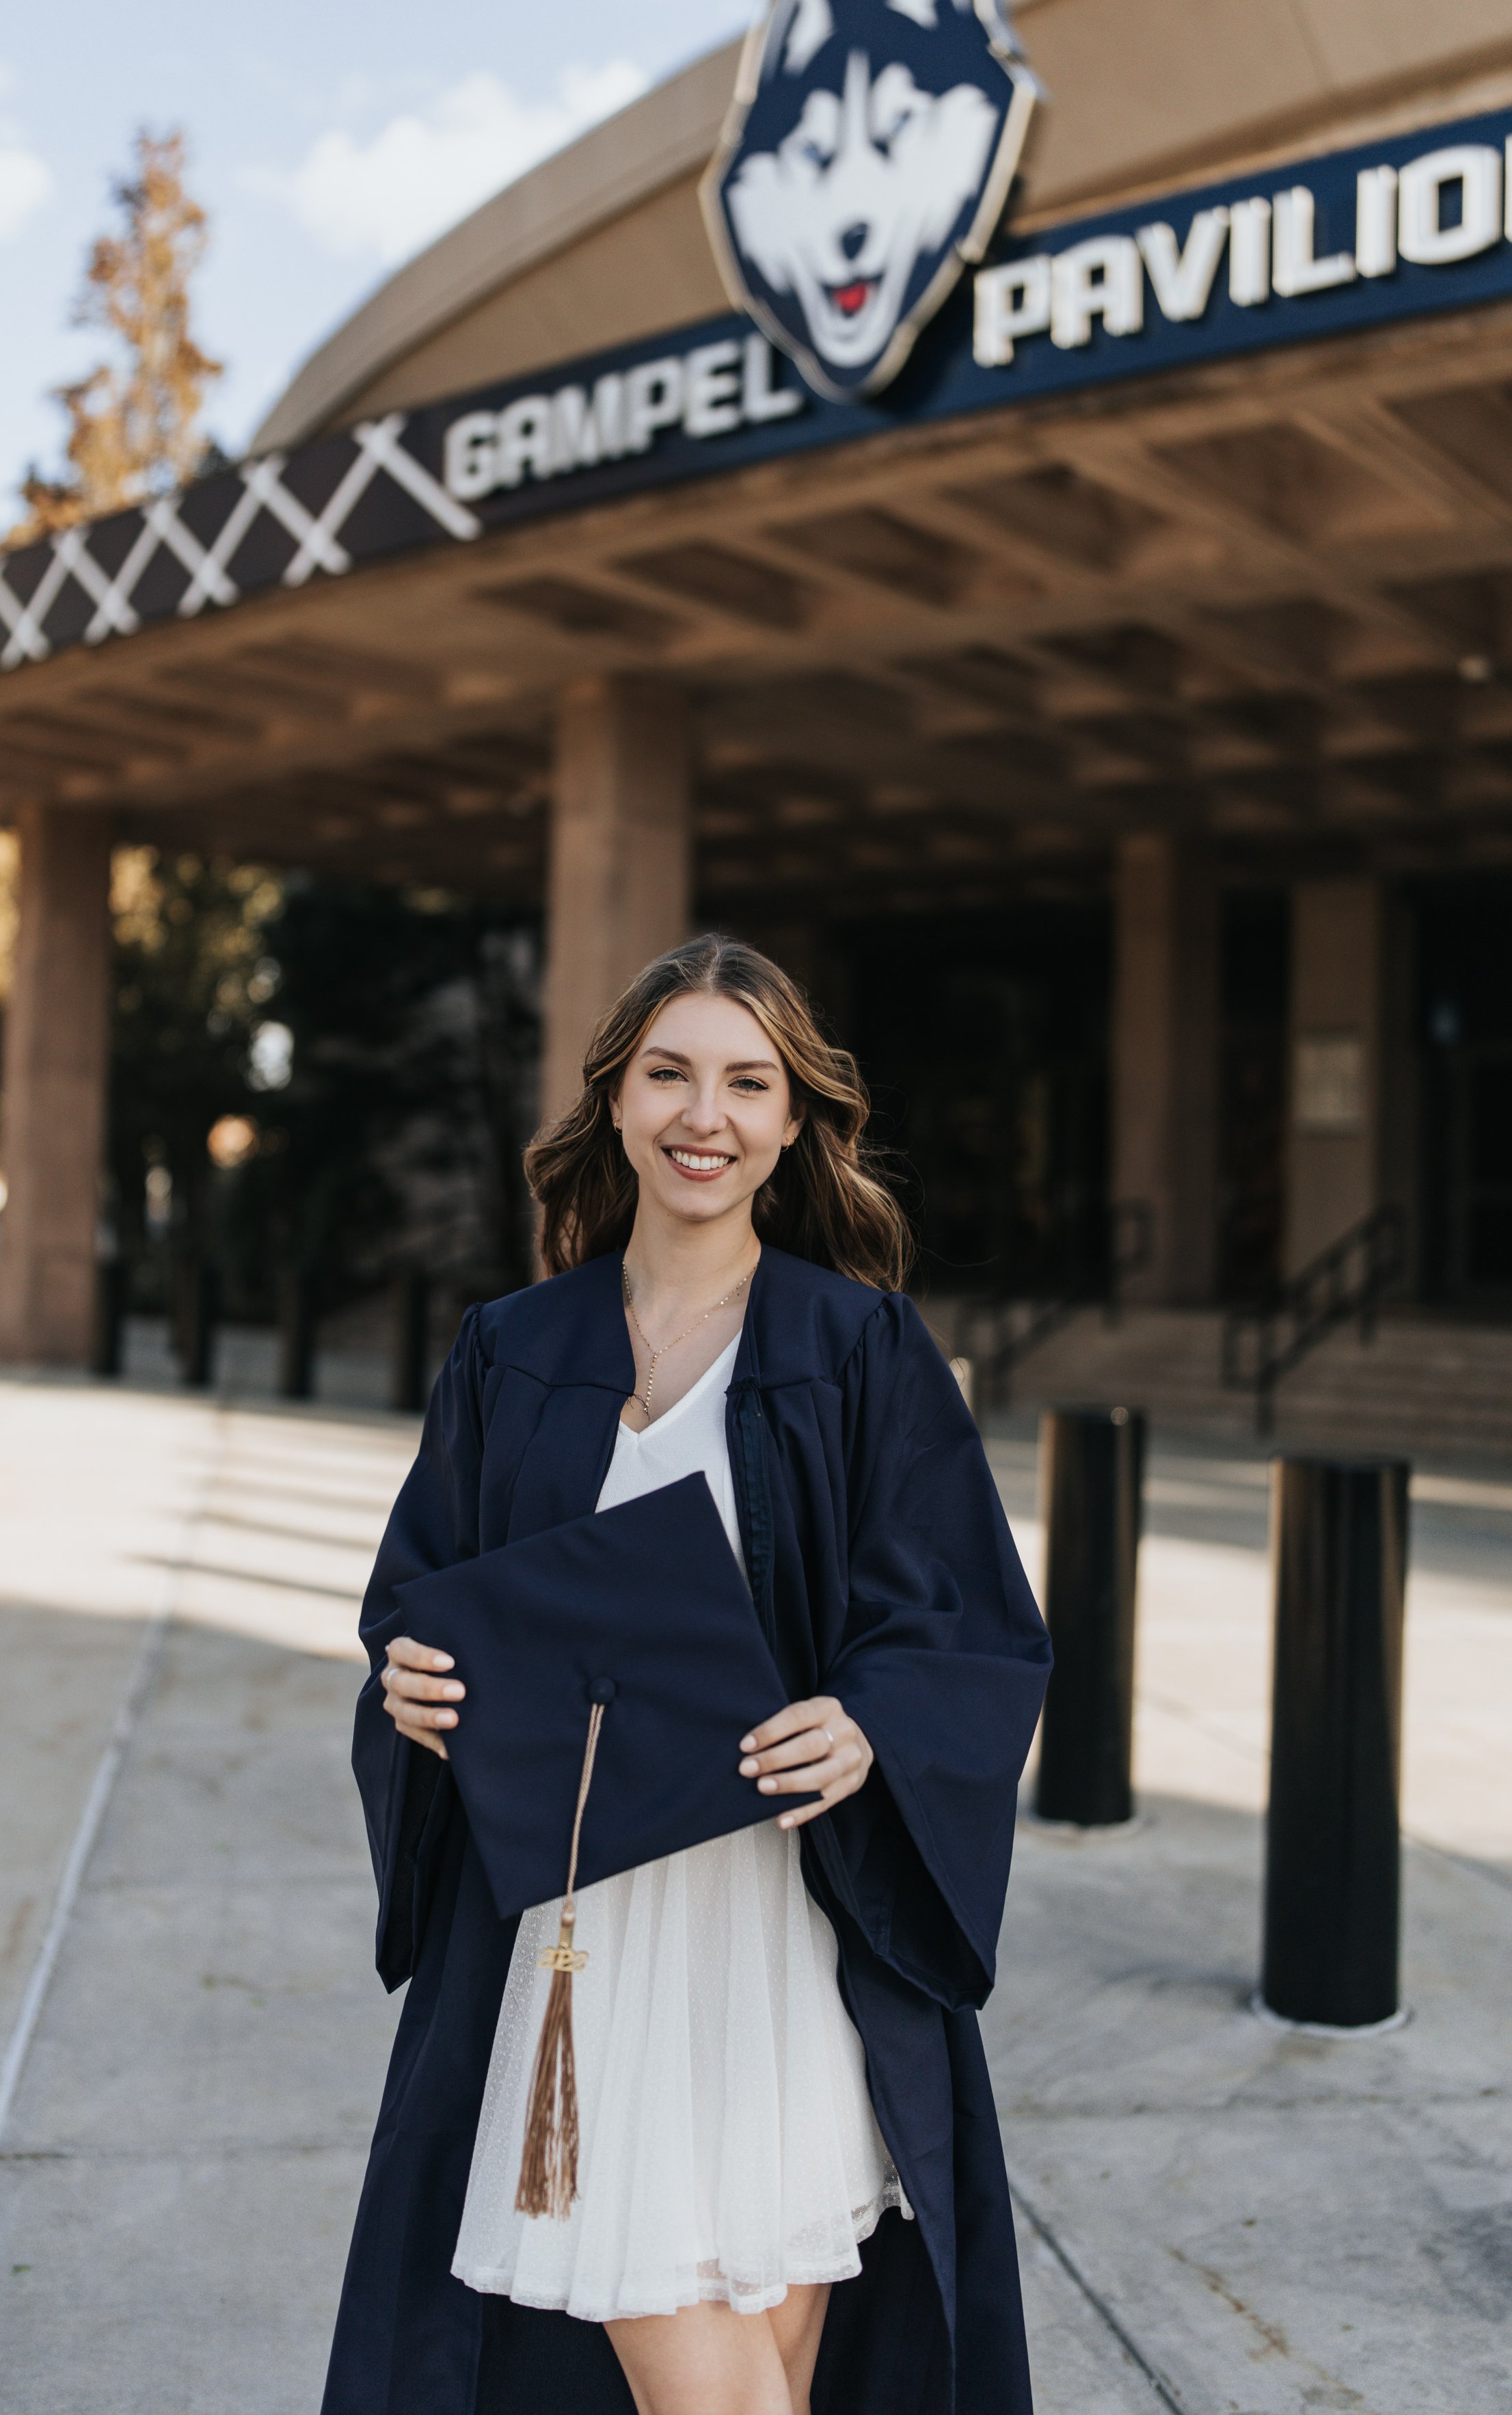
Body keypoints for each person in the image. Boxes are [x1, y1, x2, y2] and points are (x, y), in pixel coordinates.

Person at [322, 936, 1051, 2415]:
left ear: (793, 1123)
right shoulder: (510, 1352)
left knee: (773, 2348)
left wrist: (870, 1727)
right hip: (581, 1945)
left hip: (784, 1929)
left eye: (744, 1081)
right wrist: (403, 1683)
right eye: (668, 1074)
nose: (701, 1115)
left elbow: (964, 1630)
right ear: (614, 1102)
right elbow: (418, 1604)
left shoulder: (859, 1352)